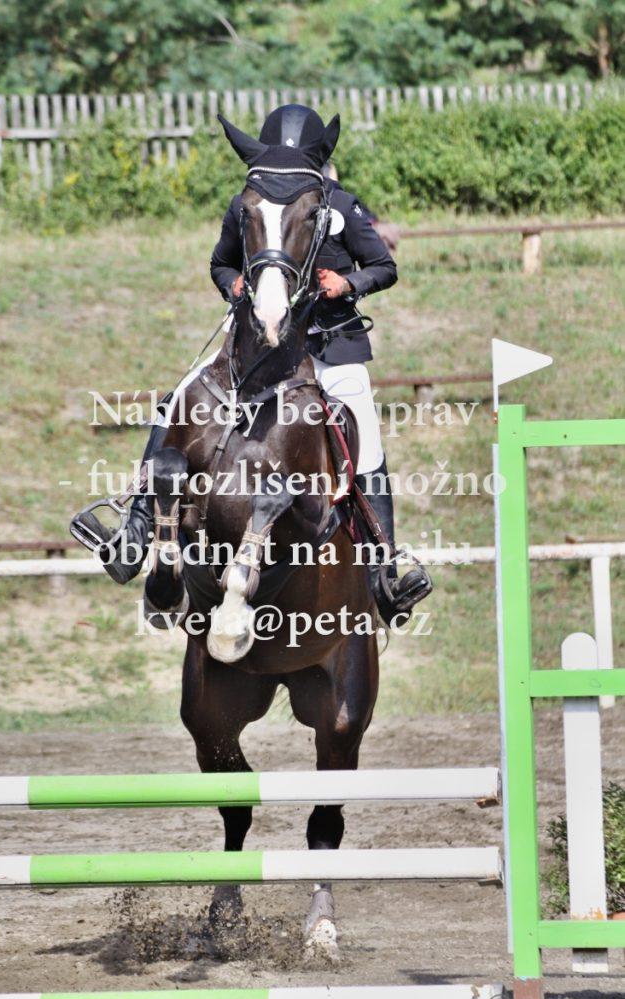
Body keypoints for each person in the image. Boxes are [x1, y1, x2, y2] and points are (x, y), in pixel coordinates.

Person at [71, 104, 431, 626]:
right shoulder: (247, 205)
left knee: (367, 437)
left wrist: (348, 283)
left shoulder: (339, 204)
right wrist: (234, 284)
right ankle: (136, 529)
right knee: (176, 402)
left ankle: (385, 570)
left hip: (330, 346)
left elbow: (384, 265)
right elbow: (221, 262)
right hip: (255, 351)